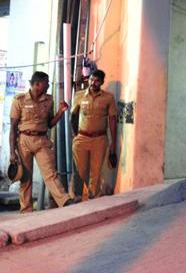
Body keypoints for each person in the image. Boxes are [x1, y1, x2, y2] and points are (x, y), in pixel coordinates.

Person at [9, 71, 73, 212]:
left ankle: (65, 202)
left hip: (42, 140)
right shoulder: (19, 100)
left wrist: (60, 113)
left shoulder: (49, 100)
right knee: (25, 178)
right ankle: (26, 210)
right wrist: (12, 152)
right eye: (46, 82)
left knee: (50, 173)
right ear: (37, 84)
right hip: (23, 141)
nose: (48, 84)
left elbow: (50, 123)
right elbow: (13, 128)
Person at [71, 69, 117, 199]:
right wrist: (75, 136)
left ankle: (93, 200)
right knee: (81, 172)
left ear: (102, 82)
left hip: (99, 139)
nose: (93, 83)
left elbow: (112, 120)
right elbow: (73, 117)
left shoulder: (108, 98)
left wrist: (113, 143)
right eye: (91, 80)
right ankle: (79, 198)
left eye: (97, 81)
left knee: (96, 173)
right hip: (81, 138)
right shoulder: (79, 95)